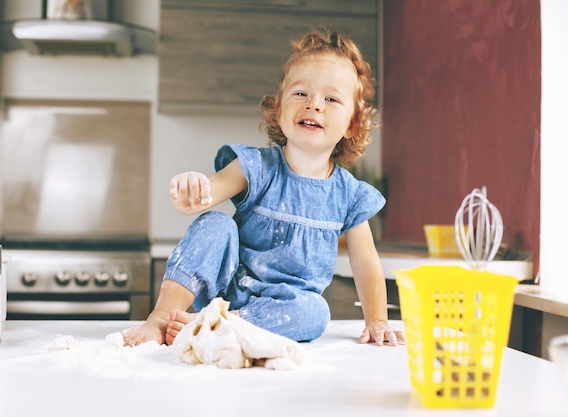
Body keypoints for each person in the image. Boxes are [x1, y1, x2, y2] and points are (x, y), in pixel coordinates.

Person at [123, 27, 405, 347]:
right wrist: (192, 189)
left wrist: (378, 320)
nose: (314, 104)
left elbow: (366, 261)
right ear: (279, 108)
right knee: (215, 223)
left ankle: (221, 326)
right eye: (301, 93)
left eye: (331, 98)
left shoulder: (350, 196)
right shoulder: (256, 166)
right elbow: (207, 194)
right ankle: (161, 319)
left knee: (315, 311)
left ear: (352, 124)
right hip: (226, 290)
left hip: (282, 310)